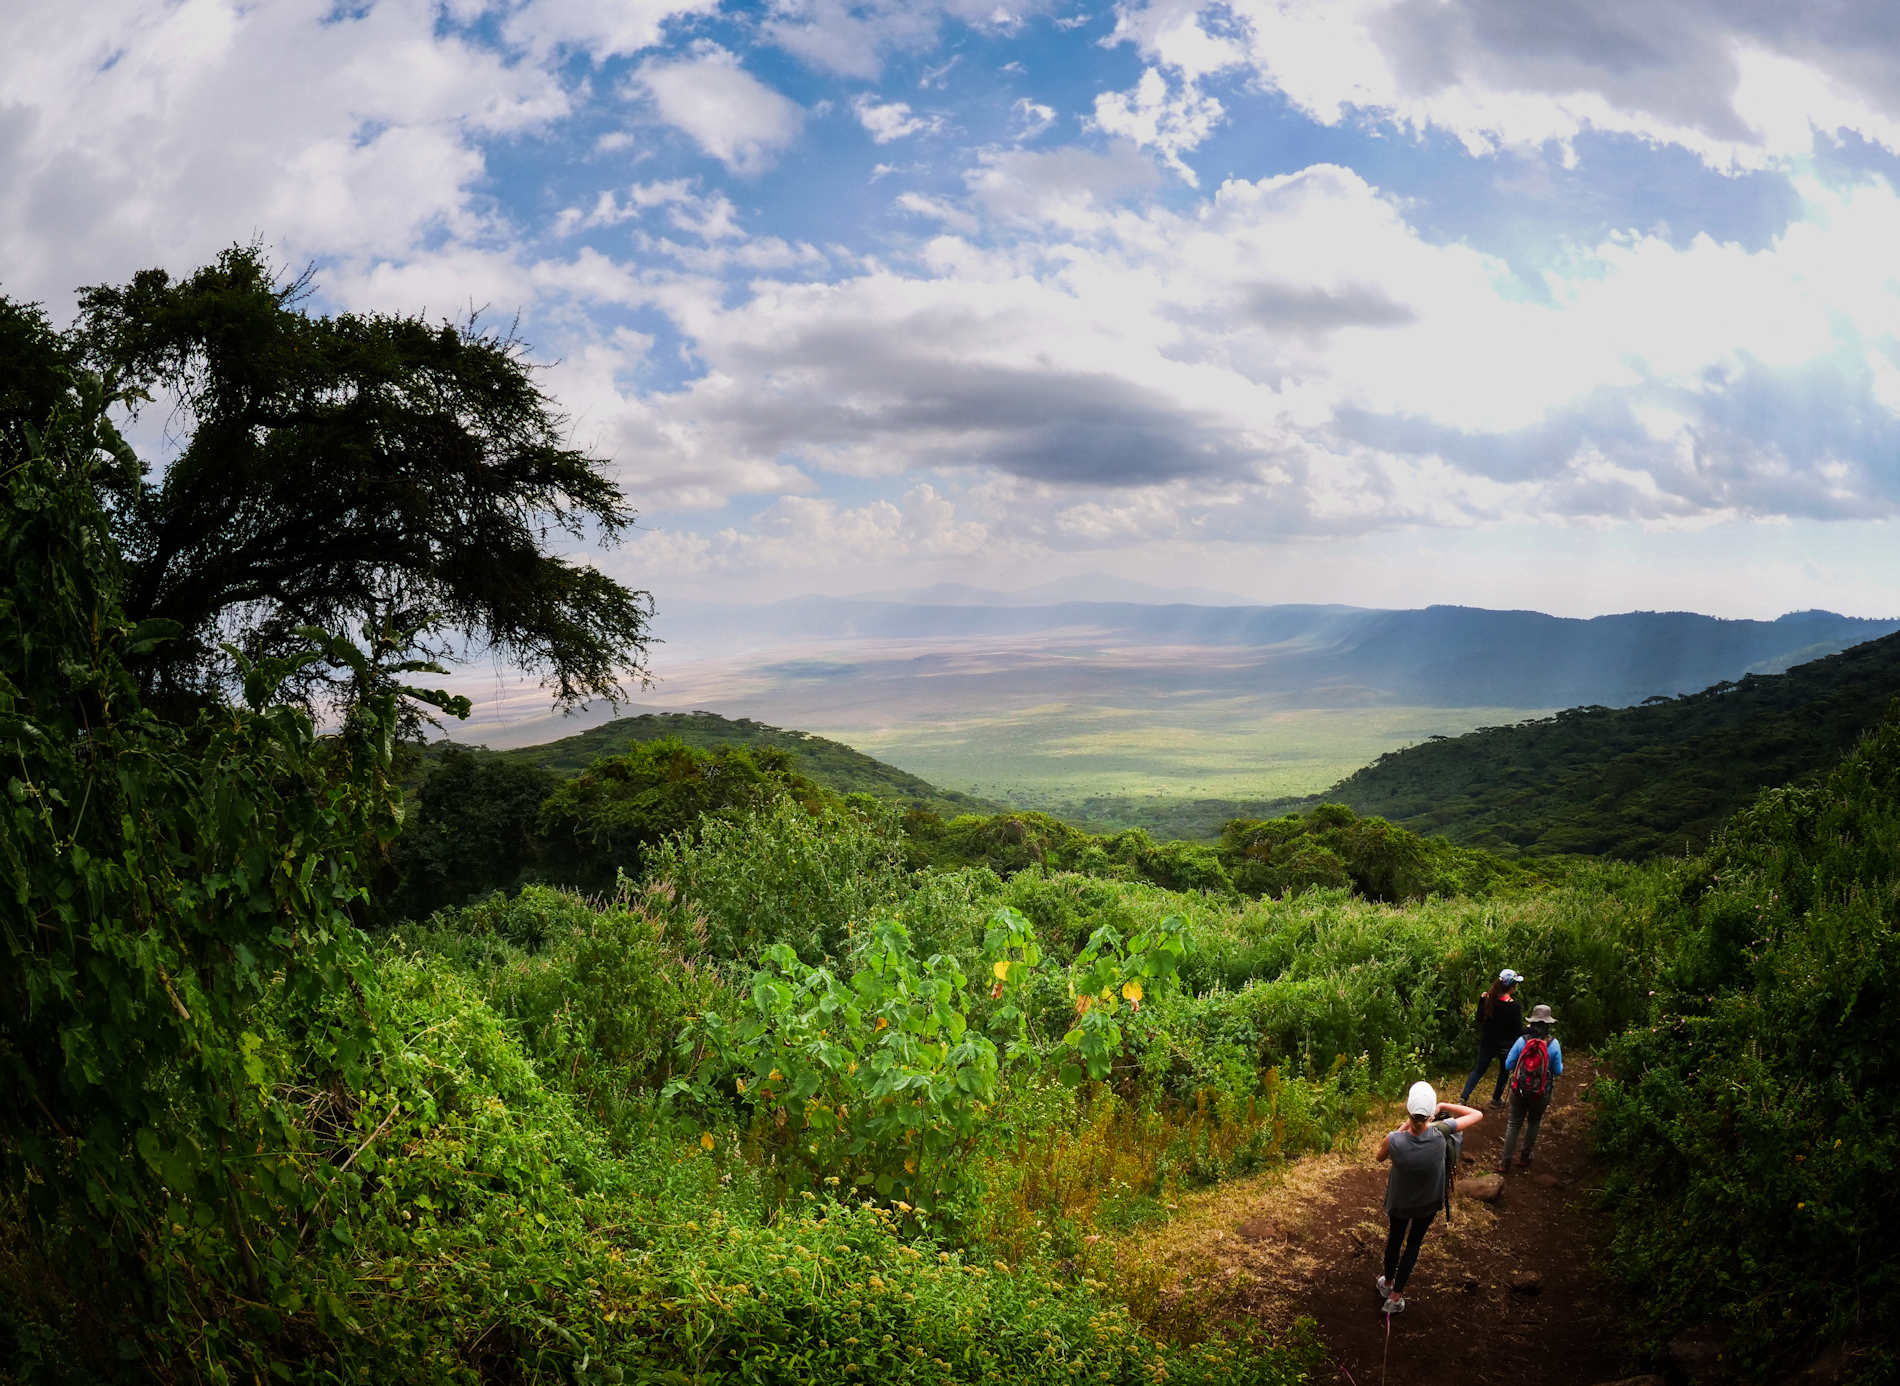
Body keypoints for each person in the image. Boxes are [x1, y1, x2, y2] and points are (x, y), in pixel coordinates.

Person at [1373, 1081, 1483, 1314]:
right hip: (1428, 1203)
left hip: (1399, 1203)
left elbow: (1379, 1157)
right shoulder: (1441, 1132)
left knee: (1395, 1240)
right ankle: (1395, 1298)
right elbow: (1477, 1114)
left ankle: (1388, 1283)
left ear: (1408, 1109)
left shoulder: (1394, 1139)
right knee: (1414, 1243)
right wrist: (1443, 1105)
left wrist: (1405, 1125)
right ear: (1431, 1112)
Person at [1498, 1004, 1563, 1173]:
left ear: (1532, 1023)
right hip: (1541, 1092)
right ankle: (1525, 1158)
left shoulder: (1522, 1041)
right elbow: (1558, 1071)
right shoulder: (1554, 1044)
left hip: (1519, 1090)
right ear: (1548, 1025)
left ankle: (1505, 1162)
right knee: (1534, 1122)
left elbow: (1508, 1064)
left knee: (1514, 1123)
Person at [1459, 969, 1525, 1107]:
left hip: (1487, 1043)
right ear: (1512, 986)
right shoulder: (1514, 1007)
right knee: (1504, 1072)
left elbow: (1479, 1019)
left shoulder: (1489, 1001)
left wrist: (1481, 1000)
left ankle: (1463, 1098)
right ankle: (1496, 1100)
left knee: (1478, 1070)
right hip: (1505, 1046)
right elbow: (1518, 1031)